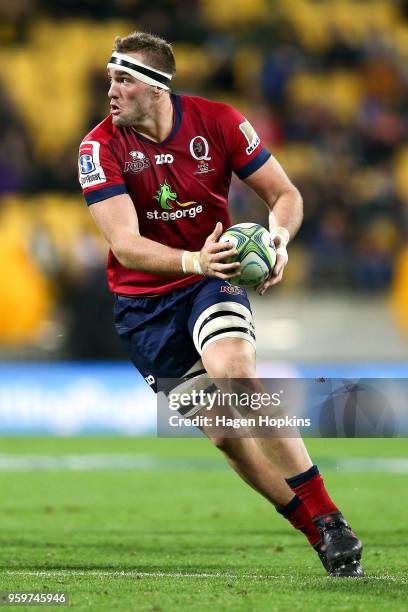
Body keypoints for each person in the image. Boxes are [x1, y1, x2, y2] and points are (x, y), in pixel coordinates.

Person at [78, 31, 364, 577]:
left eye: (123, 79)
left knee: (235, 371)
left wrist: (277, 240)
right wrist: (194, 261)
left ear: (158, 89)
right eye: (110, 78)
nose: (109, 90)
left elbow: (286, 196)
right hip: (145, 305)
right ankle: (314, 530)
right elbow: (125, 245)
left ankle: (330, 517)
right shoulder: (98, 147)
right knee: (229, 436)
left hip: (215, 278)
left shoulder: (222, 122)